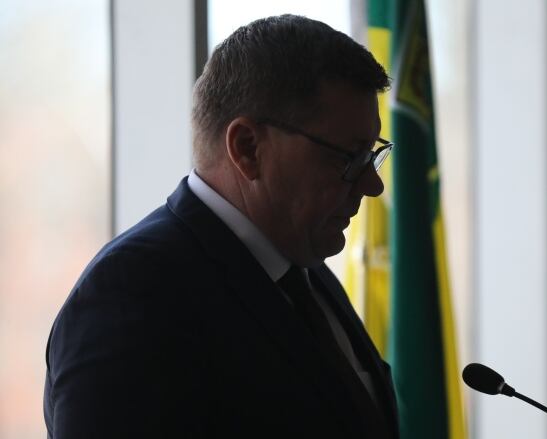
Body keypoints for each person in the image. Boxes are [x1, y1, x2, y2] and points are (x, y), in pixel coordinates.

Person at [44, 14, 398, 438]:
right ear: (247, 148)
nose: (372, 184)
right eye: (349, 157)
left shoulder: (304, 270)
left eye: (372, 154)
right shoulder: (130, 296)